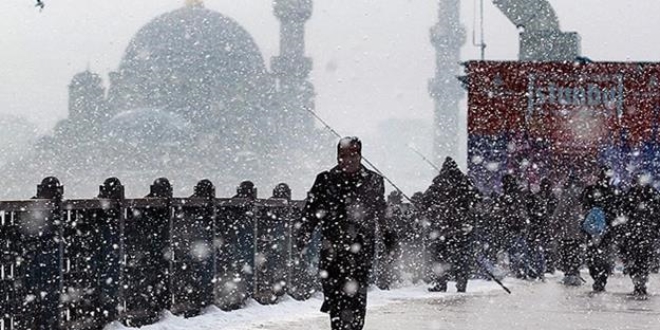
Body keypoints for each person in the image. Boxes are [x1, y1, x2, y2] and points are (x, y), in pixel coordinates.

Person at [296, 136, 395, 330]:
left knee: (356, 299)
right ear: (337, 157)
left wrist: (389, 238)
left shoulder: (374, 181)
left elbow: (381, 213)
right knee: (335, 296)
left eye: (352, 155)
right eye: (343, 155)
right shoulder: (325, 180)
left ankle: (351, 323)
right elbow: (310, 213)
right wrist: (303, 235)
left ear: (360, 156)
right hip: (332, 250)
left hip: (361, 250)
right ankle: (336, 310)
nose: (347, 160)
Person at [422, 157, 479, 292]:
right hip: (461, 226)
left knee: (440, 256)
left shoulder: (438, 182)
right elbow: (477, 198)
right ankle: (461, 283)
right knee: (462, 257)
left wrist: (433, 209)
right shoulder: (466, 182)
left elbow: (425, 200)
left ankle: (441, 284)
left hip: (443, 227)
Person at [619, 173, 660, 296]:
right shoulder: (632, 194)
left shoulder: (651, 194)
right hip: (635, 233)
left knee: (642, 260)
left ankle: (640, 283)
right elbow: (623, 212)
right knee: (635, 260)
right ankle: (638, 282)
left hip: (644, 233)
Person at [581, 166, 617, 292]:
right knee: (600, 256)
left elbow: (583, 205)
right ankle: (600, 278)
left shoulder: (592, 190)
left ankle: (599, 278)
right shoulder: (611, 191)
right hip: (602, 230)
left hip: (596, 230)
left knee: (595, 256)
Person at [553, 173, 586, 286]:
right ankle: (576, 273)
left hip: (568, 229)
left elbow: (560, 211)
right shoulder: (583, 194)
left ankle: (569, 275)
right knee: (576, 252)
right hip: (579, 228)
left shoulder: (567, 194)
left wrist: (555, 222)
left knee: (567, 252)